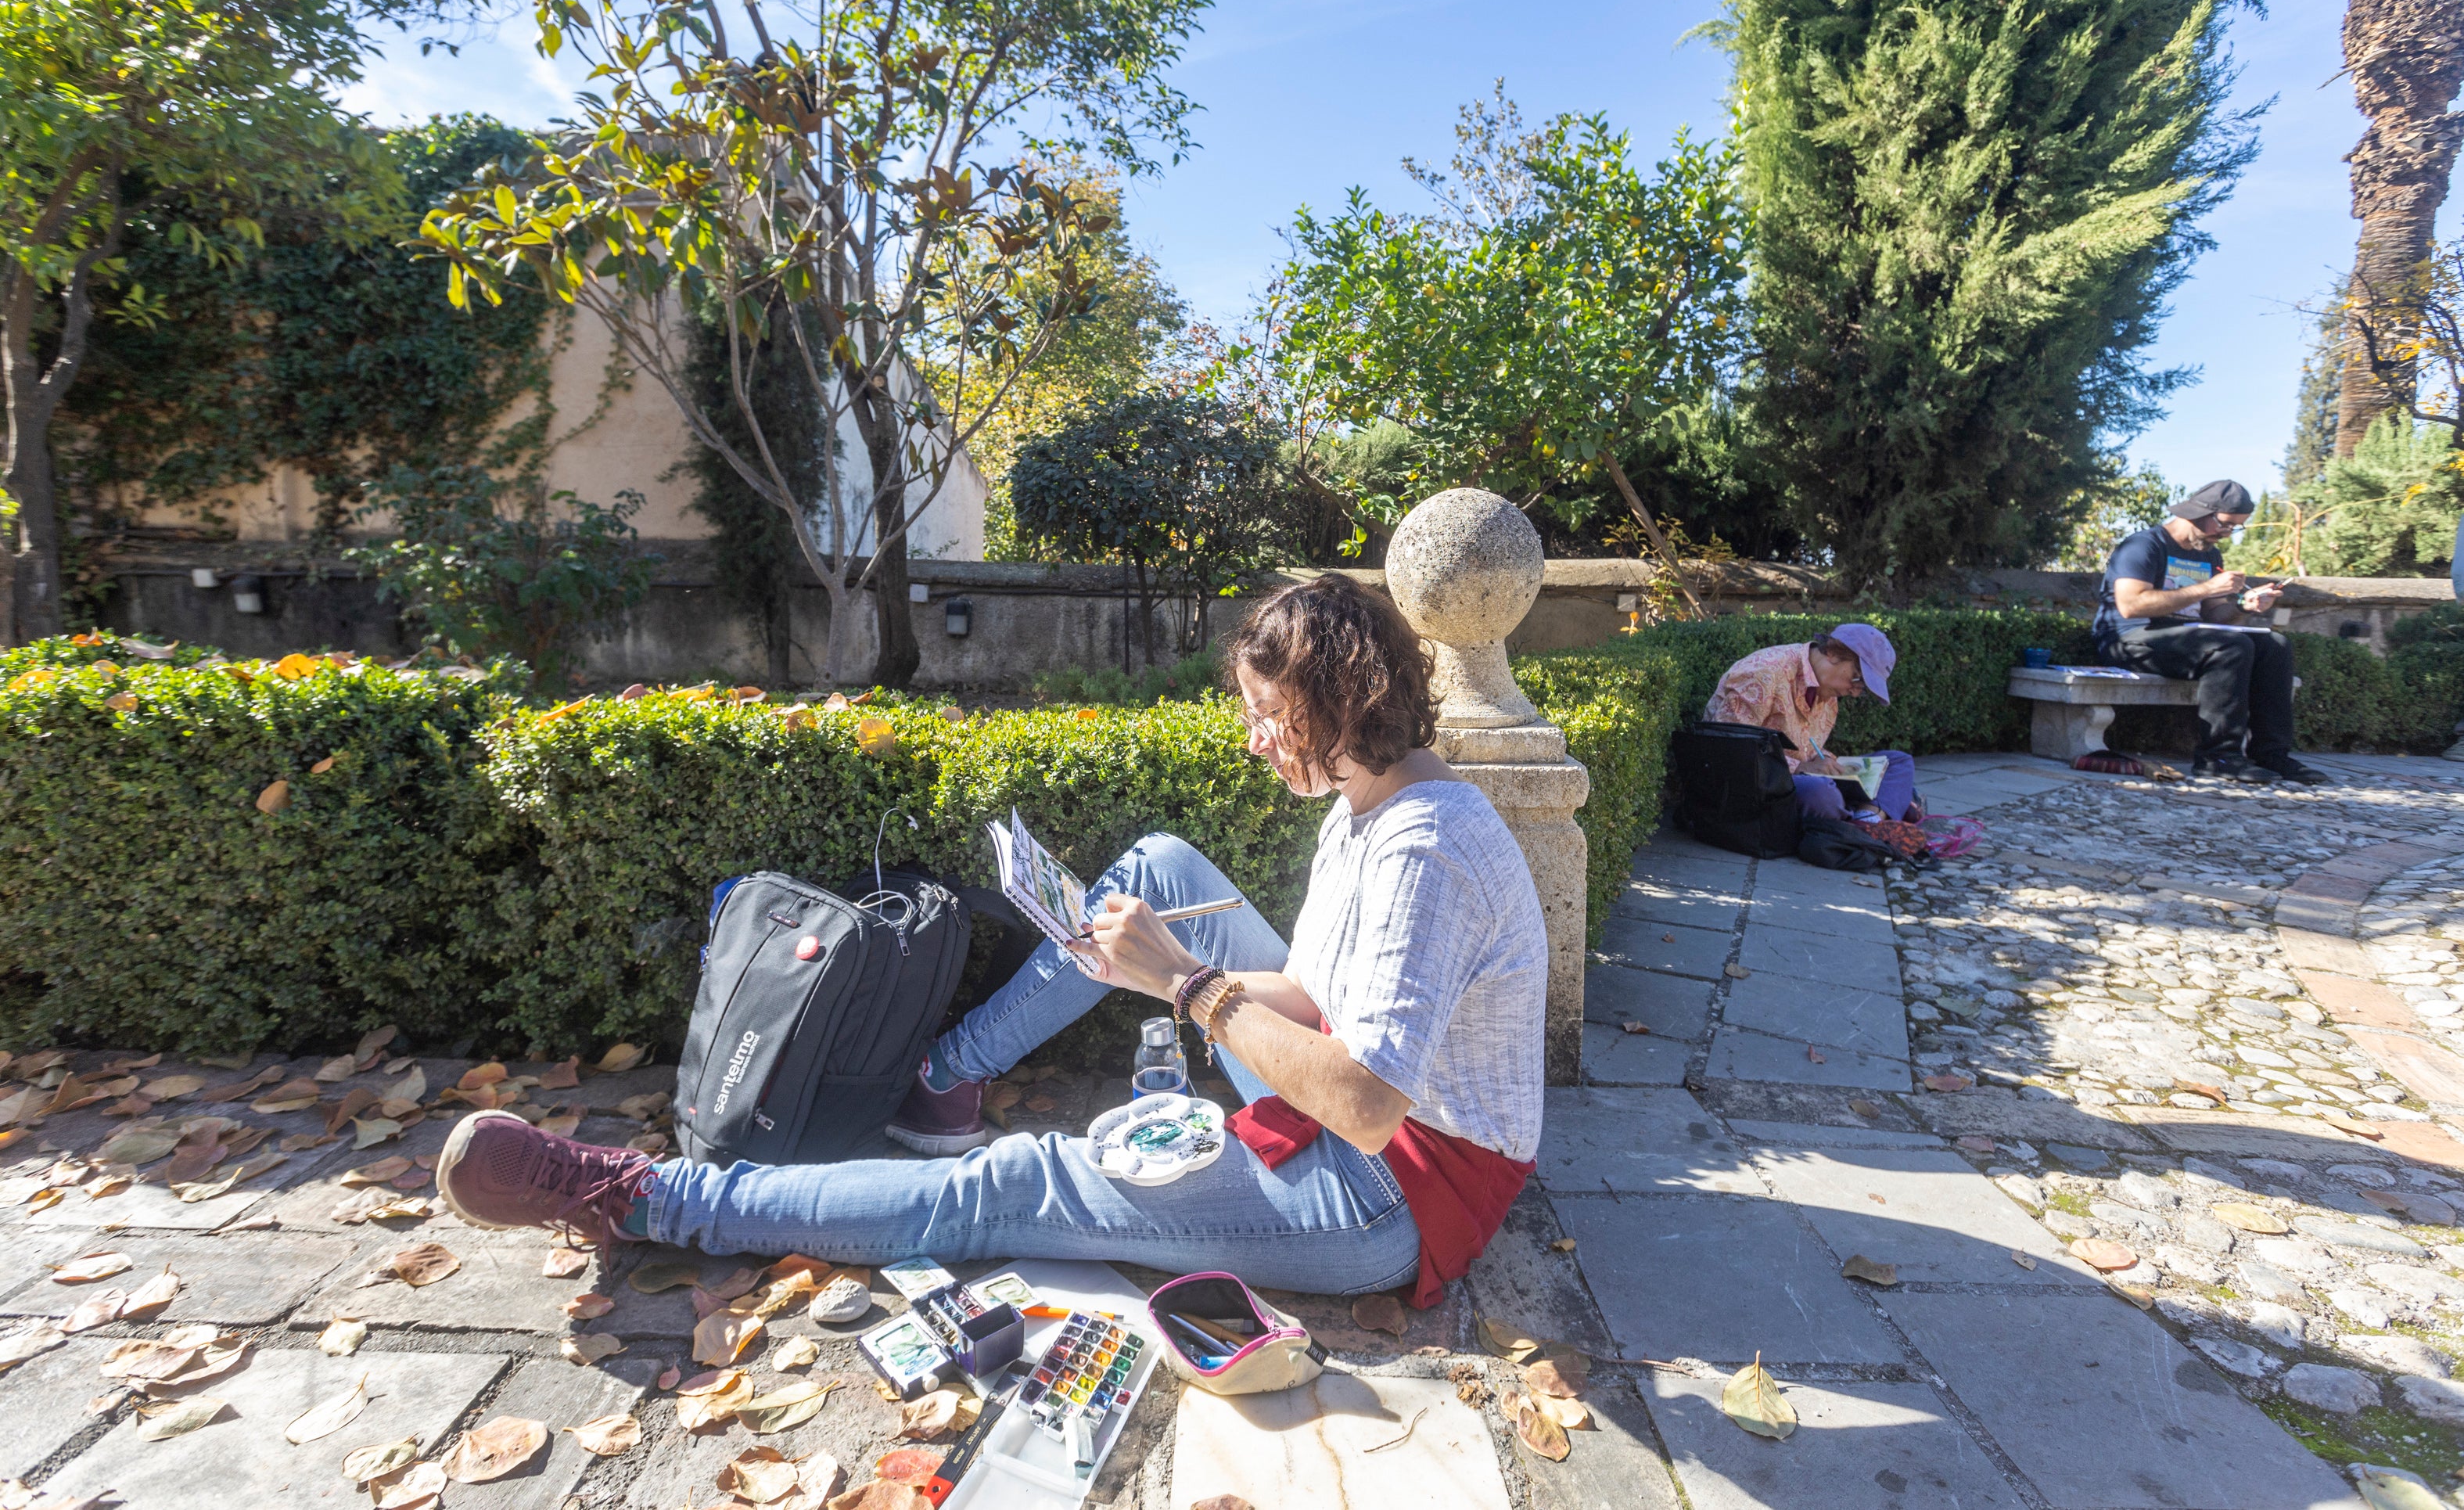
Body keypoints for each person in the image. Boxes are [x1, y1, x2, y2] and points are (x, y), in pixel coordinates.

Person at [432, 573, 1546, 1303]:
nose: (1254, 741)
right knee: (1154, 880)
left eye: (1270, 716)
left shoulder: (1421, 851)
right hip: (1365, 1136)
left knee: (1005, 1189)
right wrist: (1145, 972)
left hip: (1393, 1193)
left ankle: (644, 1197)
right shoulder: (1369, 809)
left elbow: (1360, 1102)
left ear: (1342, 702)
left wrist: (1191, 985)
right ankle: (941, 1081)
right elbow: (1311, 996)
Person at [2094, 480, 2328, 786]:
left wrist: (2244, 605)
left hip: (2191, 639)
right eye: (2225, 525)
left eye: (2235, 528)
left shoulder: (2208, 555)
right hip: (2131, 638)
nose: (2227, 534)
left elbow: (2216, 615)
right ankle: (2218, 757)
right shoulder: (2145, 545)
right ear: (2199, 512)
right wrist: (2206, 588)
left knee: (2275, 644)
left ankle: (2272, 754)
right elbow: (2130, 605)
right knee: (2231, 647)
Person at [1701, 623, 1920, 823]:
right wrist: (1801, 768)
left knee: (1898, 762)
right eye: (1857, 678)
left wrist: (1827, 762)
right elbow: (1728, 750)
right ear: (1833, 652)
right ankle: (1872, 816)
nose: (1854, 693)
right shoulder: (1763, 673)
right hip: (1752, 788)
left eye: (1861, 688)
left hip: (1796, 782)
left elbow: (1805, 747)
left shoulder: (1829, 695)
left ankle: (1867, 818)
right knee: (1822, 793)